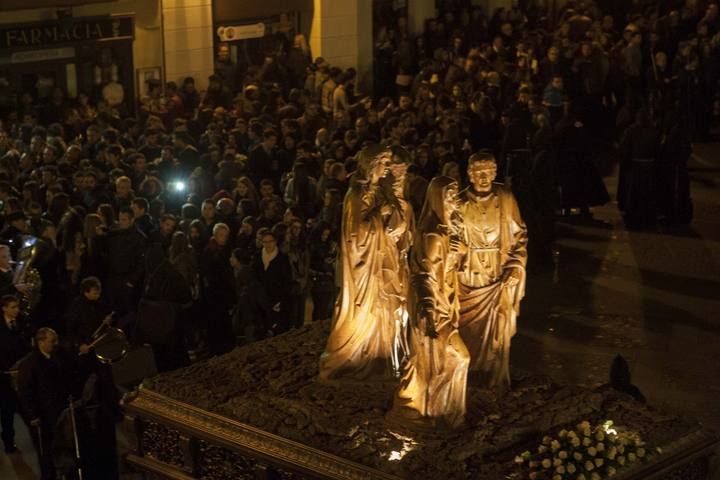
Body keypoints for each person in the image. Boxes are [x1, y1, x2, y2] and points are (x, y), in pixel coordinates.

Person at [389, 176, 470, 430]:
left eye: (456, 194)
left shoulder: (448, 234)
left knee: (446, 360)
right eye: (449, 195)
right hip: (434, 308)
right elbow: (422, 275)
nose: (455, 199)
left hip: (445, 304)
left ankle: (443, 406)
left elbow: (453, 269)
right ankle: (434, 405)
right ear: (438, 199)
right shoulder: (433, 236)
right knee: (458, 358)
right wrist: (428, 308)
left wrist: (461, 251)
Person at [318, 145, 395, 382]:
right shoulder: (355, 196)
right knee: (362, 310)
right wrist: (378, 215)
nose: (388, 168)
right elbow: (356, 234)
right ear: (372, 165)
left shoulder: (379, 191)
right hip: (363, 266)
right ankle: (350, 355)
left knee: (379, 310)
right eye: (384, 163)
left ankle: (373, 355)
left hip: (379, 261)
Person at [457, 153, 527, 389]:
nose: (484, 177)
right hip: (467, 275)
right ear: (470, 174)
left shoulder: (506, 198)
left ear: (495, 173)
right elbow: (447, 239)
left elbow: (519, 236)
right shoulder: (458, 202)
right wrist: (457, 250)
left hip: (497, 273)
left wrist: (515, 266)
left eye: (489, 171)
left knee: (497, 329)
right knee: (467, 328)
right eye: (479, 172)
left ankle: (492, 375)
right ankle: (466, 375)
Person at [17, 328, 76, 480]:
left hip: (59, 412)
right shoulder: (29, 364)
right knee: (46, 452)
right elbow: (25, 393)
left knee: (64, 446)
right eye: (51, 341)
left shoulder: (56, 357)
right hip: (42, 416)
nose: (55, 344)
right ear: (40, 342)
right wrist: (32, 415)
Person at [0, 295, 30, 454]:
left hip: (21, 373)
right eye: (12, 307)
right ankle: (8, 441)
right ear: (4, 308)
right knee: (7, 411)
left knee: (27, 408)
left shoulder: (23, 322)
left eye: (17, 307)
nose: (16, 310)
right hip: (5, 375)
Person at [252, 230, 292, 334]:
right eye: (265, 241)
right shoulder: (257, 257)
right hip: (261, 298)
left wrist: (281, 300)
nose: (268, 244)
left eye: (270, 241)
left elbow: (287, 280)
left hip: (277, 298)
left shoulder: (282, 258)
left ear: (275, 242)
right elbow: (254, 277)